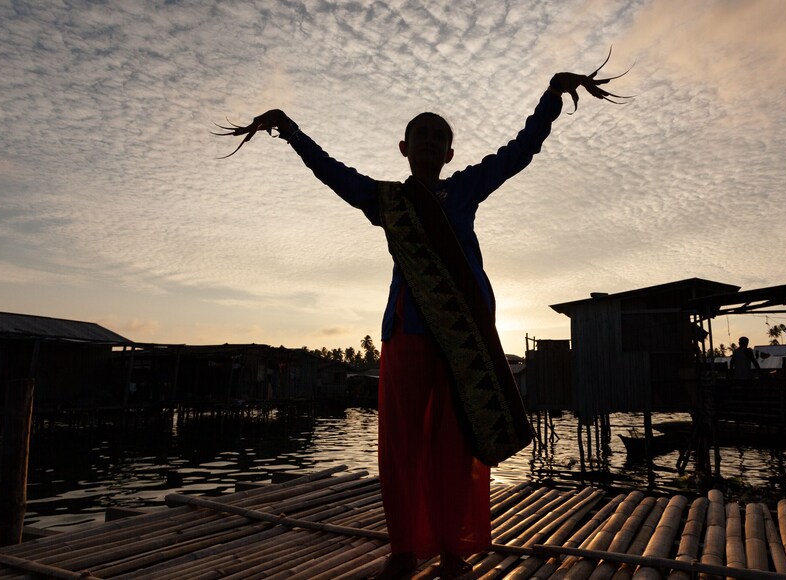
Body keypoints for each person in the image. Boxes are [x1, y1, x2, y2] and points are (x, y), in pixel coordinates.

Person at [216, 59, 627, 579]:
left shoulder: (465, 189)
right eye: (421, 136)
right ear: (404, 149)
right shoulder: (386, 200)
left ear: (450, 152)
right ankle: (403, 551)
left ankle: (455, 554)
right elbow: (333, 172)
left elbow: (520, 151)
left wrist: (551, 96)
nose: (430, 142)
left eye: (439, 136)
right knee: (401, 449)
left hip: (463, 340)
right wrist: (291, 131)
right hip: (405, 335)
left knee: (456, 449)